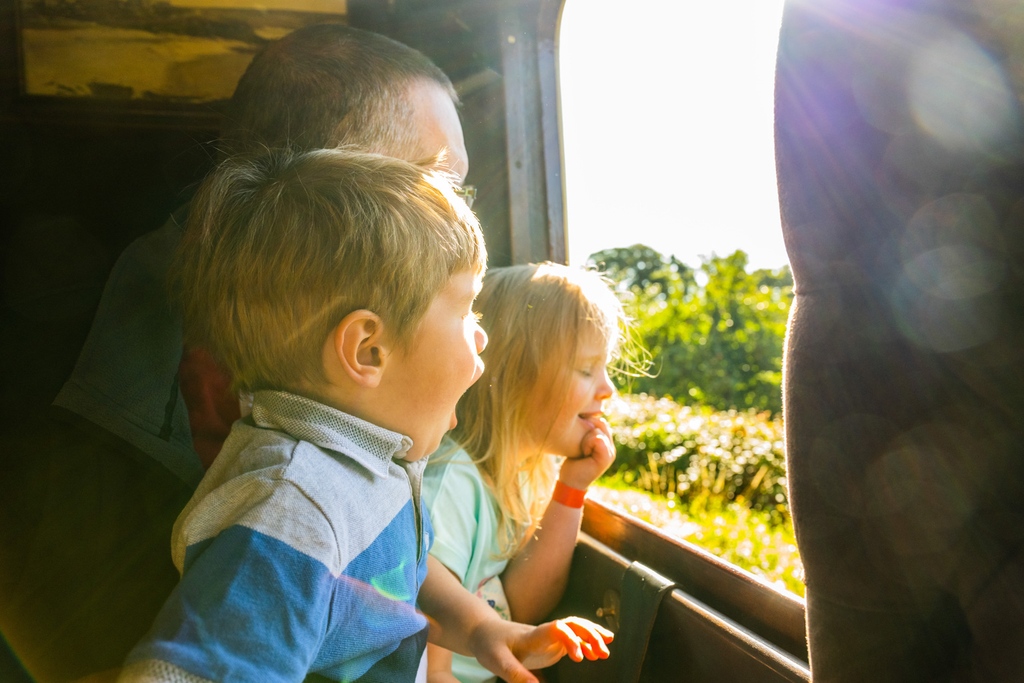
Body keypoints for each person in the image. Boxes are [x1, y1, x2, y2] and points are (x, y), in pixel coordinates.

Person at [0, 24, 475, 683]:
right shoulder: (196, 377)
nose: (458, 214)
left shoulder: (346, 345)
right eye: (436, 179)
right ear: (330, 176)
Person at [118, 148, 612, 683]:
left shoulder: (366, 468)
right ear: (368, 350)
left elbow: (392, 586)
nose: (482, 334)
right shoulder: (293, 510)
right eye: (466, 308)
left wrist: (481, 631)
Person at [422, 263, 642, 683]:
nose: (608, 388)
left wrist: (572, 488)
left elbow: (522, 607)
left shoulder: (528, 471)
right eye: (585, 369)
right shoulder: (455, 481)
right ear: (515, 376)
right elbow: (430, 647)